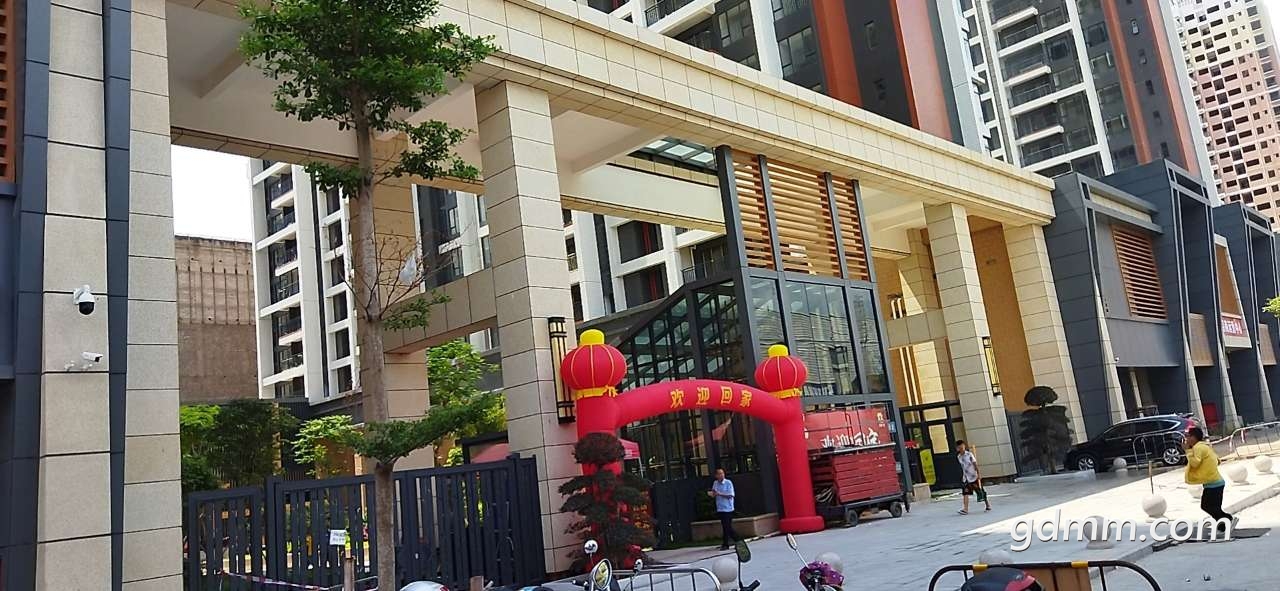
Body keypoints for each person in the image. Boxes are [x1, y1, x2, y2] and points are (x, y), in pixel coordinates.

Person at [1185, 427, 1234, 532]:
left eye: (1187, 436)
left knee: (1207, 506)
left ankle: (1226, 519)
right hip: (1215, 482)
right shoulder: (1204, 446)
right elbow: (1217, 460)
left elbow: (1195, 463)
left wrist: (1188, 450)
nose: (1186, 439)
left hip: (1213, 483)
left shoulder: (1198, 448)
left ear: (1193, 437)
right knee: (1213, 507)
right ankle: (1223, 525)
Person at [956, 440, 990, 515]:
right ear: (957, 448)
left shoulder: (969, 455)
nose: (961, 448)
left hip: (973, 476)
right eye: (959, 447)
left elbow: (975, 464)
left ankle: (987, 504)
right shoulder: (959, 457)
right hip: (966, 478)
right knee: (965, 493)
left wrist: (978, 474)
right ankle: (965, 509)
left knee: (980, 491)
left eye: (962, 447)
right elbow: (963, 467)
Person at [708, 468, 739, 550]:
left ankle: (734, 541)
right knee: (725, 526)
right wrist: (712, 494)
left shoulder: (728, 483)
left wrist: (719, 494)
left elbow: (731, 495)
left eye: (722, 473)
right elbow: (714, 493)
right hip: (720, 508)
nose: (721, 475)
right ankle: (729, 543)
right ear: (716, 475)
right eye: (719, 474)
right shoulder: (715, 483)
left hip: (728, 508)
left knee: (727, 526)